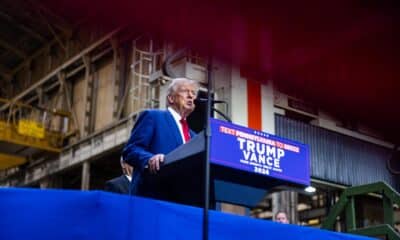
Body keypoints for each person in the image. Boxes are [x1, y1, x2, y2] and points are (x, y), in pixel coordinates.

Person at [122, 77, 199, 198]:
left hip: (183, 202)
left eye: (193, 93)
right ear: (171, 98)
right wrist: (149, 159)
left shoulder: (195, 137)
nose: (191, 96)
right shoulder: (153, 117)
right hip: (153, 197)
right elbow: (130, 150)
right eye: (185, 91)